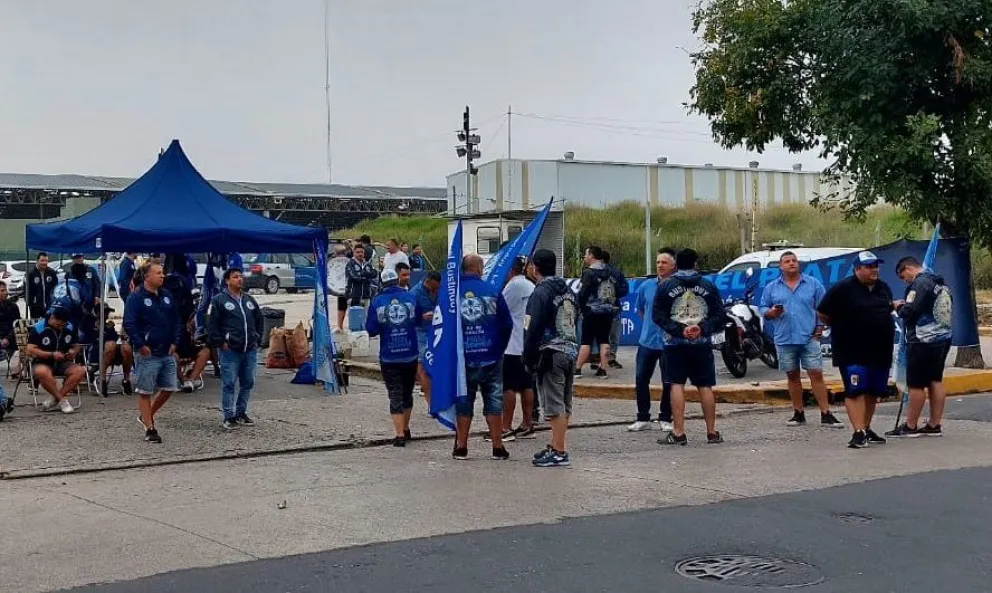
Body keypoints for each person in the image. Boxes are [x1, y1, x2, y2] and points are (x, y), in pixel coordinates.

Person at [817, 251, 895, 449]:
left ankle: (866, 428)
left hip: (880, 349)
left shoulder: (883, 288)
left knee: (873, 391)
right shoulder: (843, 288)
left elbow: (886, 310)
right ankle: (858, 432)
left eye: (876, 266)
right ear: (857, 269)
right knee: (855, 390)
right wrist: (843, 326)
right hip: (851, 350)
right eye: (869, 266)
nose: (874, 270)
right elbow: (823, 313)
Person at [760, 251, 844, 428]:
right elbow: (763, 308)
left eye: (794, 260)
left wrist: (819, 329)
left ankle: (826, 413)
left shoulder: (813, 284)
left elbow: (824, 307)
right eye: (787, 261)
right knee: (792, 375)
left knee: (816, 373)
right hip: (784, 338)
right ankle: (798, 413)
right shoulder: (771, 287)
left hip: (809, 337)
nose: (792, 263)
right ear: (781, 266)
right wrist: (771, 312)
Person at [652, 248, 726, 445]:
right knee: (705, 386)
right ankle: (712, 432)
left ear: (676, 264)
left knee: (676, 384)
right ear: (695, 263)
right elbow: (720, 315)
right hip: (701, 344)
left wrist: (679, 330)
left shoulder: (665, 286)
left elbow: (658, 316)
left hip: (674, 343)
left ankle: (678, 432)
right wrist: (701, 329)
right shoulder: (708, 285)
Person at [452, 254, 513, 461]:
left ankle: (461, 446)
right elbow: (507, 324)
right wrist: (500, 347)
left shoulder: (452, 295)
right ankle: (497, 447)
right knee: (494, 401)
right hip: (491, 355)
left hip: (462, 359)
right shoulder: (492, 291)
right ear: (479, 269)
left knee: (463, 402)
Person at [886, 256, 953, 438]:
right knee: (935, 381)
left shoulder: (920, 284)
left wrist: (898, 307)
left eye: (903, 277)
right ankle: (934, 424)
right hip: (943, 337)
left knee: (915, 384)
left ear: (908, 268)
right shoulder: (940, 283)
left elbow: (909, 312)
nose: (905, 281)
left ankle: (910, 425)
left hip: (923, 339)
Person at [524, 248, 579, 467]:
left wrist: (528, 357)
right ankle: (558, 444)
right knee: (565, 403)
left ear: (535, 267)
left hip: (550, 352)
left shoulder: (541, 292)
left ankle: (559, 452)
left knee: (554, 403)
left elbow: (532, 327)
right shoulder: (568, 290)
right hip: (570, 349)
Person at [124, 262, 181, 443]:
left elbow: (176, 320)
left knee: (169, 387)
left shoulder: (167, 295)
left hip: (167, 350)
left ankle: (146, 415)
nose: (162, 276)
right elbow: (129, 323)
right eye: (158, 273)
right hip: (148, 353)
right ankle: (150, 429)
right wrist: (140, 344)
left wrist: (175, 341)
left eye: (162, 273)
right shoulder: (136, 297)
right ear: (147, 276)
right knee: (145, 391)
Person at [366, 269, 422, 446]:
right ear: (397, 280)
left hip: (389, 356)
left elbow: (371, 329)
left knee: (395, 393)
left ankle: (399, 435)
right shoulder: (411, 297)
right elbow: (418, 320)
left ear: (382, 283)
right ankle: (405, 428)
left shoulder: (377, 301)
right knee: (407, 392)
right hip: (410, 353)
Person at [209, 267, 264, 430]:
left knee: (248, 382)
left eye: (240, 276)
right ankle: (228, 416)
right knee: (229, 383)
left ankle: (241, 412)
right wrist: (221, 342)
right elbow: (212, 325)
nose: (239, 279)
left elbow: (259, 320)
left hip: (250, 349)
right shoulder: (219, 300)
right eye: (235, 277)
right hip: (230, 350)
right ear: (227, 280)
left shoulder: (249, 300)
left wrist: (257, 339)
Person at [628, 249, 676, 433]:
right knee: (641, 379)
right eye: (658, 262)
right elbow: (641, 309)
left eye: (664, 262)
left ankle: (665, 418)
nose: (660, 265)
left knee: (669, 382)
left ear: (673, 265)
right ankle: (643, 417)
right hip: (647, 341)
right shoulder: (646, 286)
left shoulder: (677, 287)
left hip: (669, 342)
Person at [499, 256, 537, 440]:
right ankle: (528, 424)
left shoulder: (512, 286)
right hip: (527, 343)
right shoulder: (531, 286)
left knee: (509, 387)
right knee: (526, 386)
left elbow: (499, 310)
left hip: (512, 345)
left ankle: (506, 427)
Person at [27, 308, 85, 414]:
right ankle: (62, 401)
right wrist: (51, 354)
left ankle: (55, 399)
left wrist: (73, 351)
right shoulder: (39, 328)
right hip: (42, 361)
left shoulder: (69, 327)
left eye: (63, 325)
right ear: (52, 318)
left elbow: (76, 345)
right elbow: (31, 349)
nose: (61, 327)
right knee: (42, 372)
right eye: (58, 325)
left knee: (80, 371)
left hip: (62, 362)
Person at [575, 246, 619, 378]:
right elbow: (618, 289)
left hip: (591, 310)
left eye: (586, 254)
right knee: (604, 340)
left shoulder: (588, 273)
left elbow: (583, 293)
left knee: (586, 341)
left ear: (592, 256)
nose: (584, 256)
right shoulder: (611, 271)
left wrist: (582, 308)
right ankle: (603, 369)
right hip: (608, 310)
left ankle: (578, 369)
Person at [410, 271, 440, 408]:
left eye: (437, 288)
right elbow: (409, 316)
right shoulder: (415, 293)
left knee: (437, 366)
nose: (435, 290)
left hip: (437, 330)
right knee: (423, 366)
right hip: (421, 331)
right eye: (433, 287)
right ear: (428, 281)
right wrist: (421, 317)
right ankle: (431, 403)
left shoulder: (440, 290)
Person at [601, 250, 629, 369]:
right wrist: (615, 294)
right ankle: (610, 358)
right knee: (613, 334)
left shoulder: (592, 272)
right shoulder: (617, 272)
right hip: (613, 308)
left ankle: (599, 359)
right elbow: (625, 289)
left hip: (600, 309)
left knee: (602, 334)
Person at [97, 311, 134, 397]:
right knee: (111, 345)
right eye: (105, 312)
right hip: (97, 351)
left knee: (126, 348)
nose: (106, 314)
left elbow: (116, 338)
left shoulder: (108, 326)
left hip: (113, 351)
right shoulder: (89, 322)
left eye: (107, 312)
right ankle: (102, 379)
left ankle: (126, 380)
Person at [26, 252, 59, 319]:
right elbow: (27, 291)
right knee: (36, 323)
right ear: (37, 261)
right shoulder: (31, 273)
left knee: (49, 322)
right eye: (42, 260)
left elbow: (56, 287)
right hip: (36, 306)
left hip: (49, 305)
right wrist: (31, 303)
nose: (44, 263)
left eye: (46, 260)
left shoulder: (51, 272)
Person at [345, 245, 378, 309]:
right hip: (353, 296)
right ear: (353, 253)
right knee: (356, 315)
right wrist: (368, 276)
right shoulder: (350, 264)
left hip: (366, 296)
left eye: (362, 252)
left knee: (366, 315)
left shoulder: (368, 264)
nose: (360, 254)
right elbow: (355, 277)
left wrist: (363, 273)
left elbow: (375, 273)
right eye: (358, 252)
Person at [0, 281, 20, 361]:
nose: (6, 293)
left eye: (6, 290)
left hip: (10, 341)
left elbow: (17, 325)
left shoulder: (13, 306)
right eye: (2, 291)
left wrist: (8, 338)